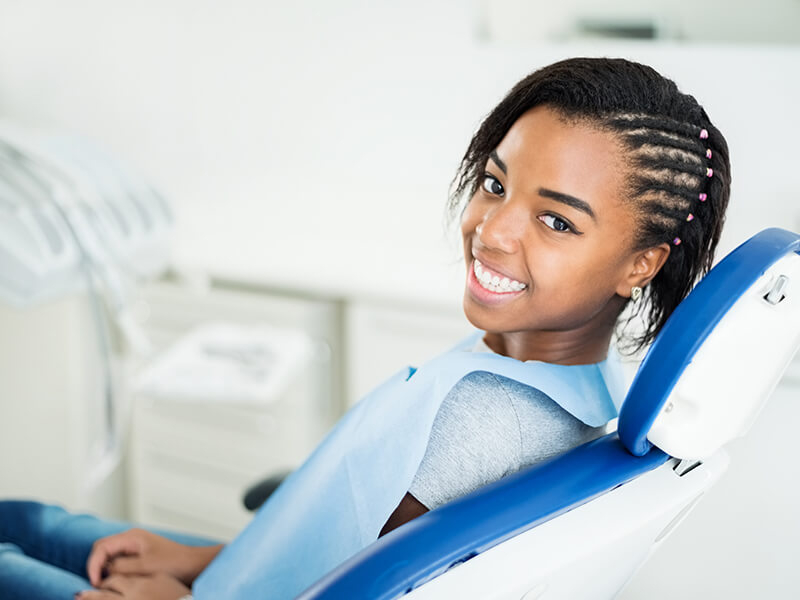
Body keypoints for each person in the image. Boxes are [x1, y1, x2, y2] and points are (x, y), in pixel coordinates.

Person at [0, 57, 730, 599]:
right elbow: (338, 552)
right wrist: (197, 562)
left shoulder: (487, 421)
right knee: (28, 521)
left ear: (641, 263)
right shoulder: (574, 378)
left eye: (557, 221)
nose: (491, 231)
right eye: (495, 184)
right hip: (243, 571)